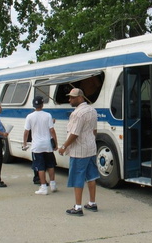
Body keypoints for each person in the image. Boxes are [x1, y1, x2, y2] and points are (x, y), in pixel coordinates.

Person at [58, 88, 99, 216]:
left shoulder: (77, 114)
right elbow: (94, 130)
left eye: (72, 97)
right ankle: (92, 203)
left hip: (79, 150)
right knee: (91, 176)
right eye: (69, 97)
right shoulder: (92, 110)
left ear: (80, 97)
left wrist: (64, 146)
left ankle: (77, 207)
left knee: (77, 178)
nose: (70, 100)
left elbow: (74, 133)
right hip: (91, 148)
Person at [23, 96, 58, 195]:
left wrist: (25, 143)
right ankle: (53, 184)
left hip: (37, 146)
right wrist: (56, 143)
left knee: (40, 167)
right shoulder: (48, 115)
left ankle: (43, 187)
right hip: (47, 145)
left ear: (34, 105)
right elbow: (52, 131)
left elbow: (26, 132)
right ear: (42, 105)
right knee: (50, 165)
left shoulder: (30, 116)